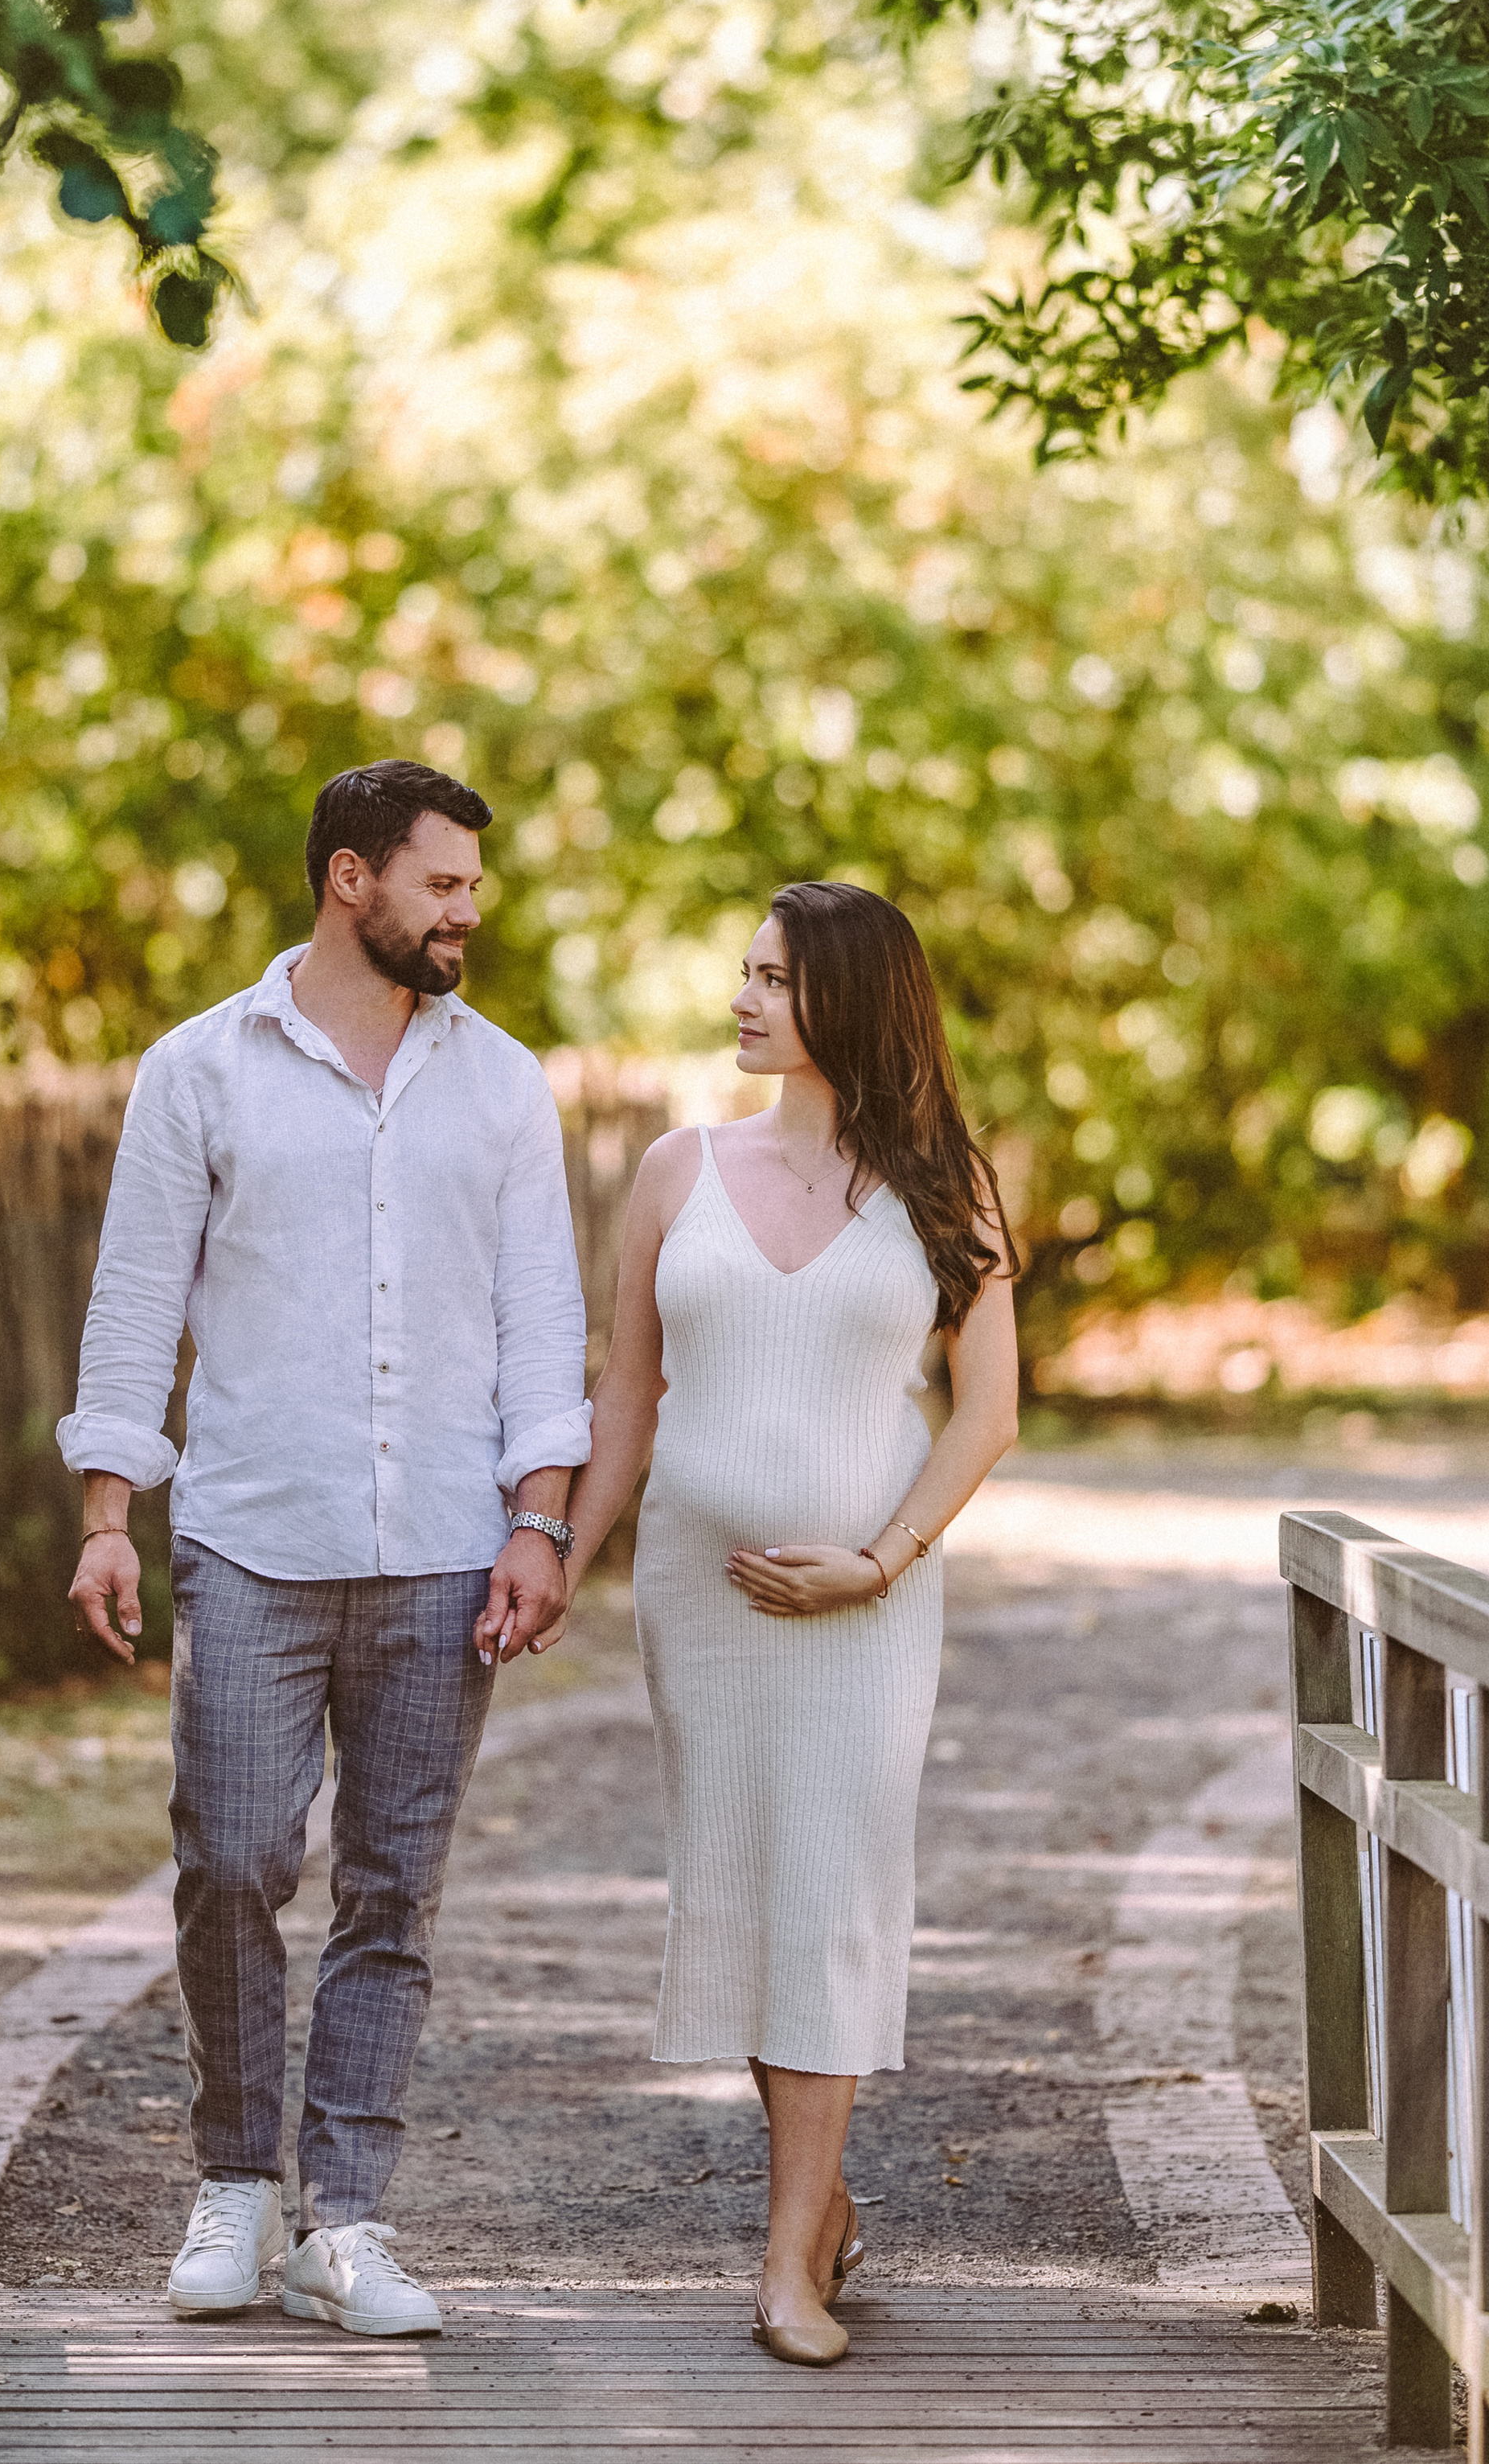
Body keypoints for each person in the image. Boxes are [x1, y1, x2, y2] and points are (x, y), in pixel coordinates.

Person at [60, 760, 590, 2339]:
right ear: (351, 879)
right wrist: (108, 1514)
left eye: (473, 884)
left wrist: (539, 1520)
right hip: (250, 1538)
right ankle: (234, 2184)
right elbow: (135, 1300)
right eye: (443, 882)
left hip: (444, 1548)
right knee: (229, 1859)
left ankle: (344, 2219)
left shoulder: (503, 1085)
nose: (468, 909)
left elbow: (542, 1324)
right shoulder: (197, 1071)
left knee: (391, 1891)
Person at [538, 881, 1020, 2366]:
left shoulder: (945, 1183)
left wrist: (877, 1560)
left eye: (774, 979)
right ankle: (824, 2201)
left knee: (834, 1887)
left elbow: (988, 1414)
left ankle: (784, 2266)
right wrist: (559, 1556)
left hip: (868, 1606)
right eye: (744, 972)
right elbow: (628, 1394)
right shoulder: (677, 1169)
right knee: (746, 1889)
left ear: (851, 1000)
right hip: (705, 1598)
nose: (742, 999)